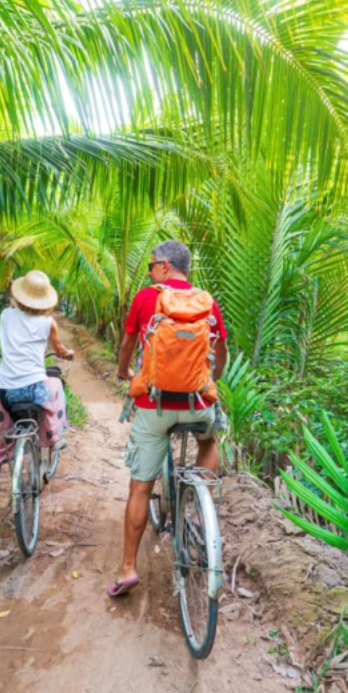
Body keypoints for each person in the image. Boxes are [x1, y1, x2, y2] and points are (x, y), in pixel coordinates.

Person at [108, 240, 228, 596]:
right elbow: (221, 351)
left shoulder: (147, 298)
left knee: (140, 488)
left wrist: (123, 371)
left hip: (153, 406)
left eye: (149, 266)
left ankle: (128, 568)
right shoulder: (207, 302)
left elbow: (128, 344)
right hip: (195, 402)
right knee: (209, 439)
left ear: (163, 266)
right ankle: (197, 508)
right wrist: (212, 378)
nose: (148, 271)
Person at [0, 270, 75, 513]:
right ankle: (53, 434)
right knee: (56, 384)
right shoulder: (47, 323)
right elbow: (60, 349)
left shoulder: (6, 315)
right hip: (35, 388)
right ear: (45, 301)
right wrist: (68, 354)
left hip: (7, 392)